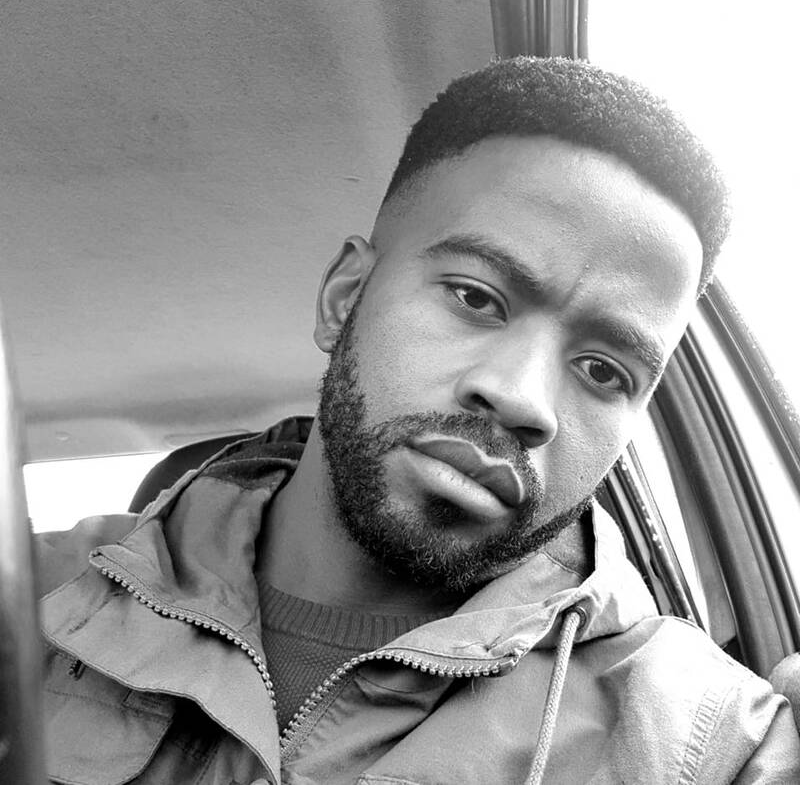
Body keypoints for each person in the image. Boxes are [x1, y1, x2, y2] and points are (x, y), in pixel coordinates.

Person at [36, 57, 800, 784]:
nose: (523, 399)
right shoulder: (34, 598)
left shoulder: (707, 741)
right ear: (345, 299)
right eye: (476, 297)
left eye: (605, 371)